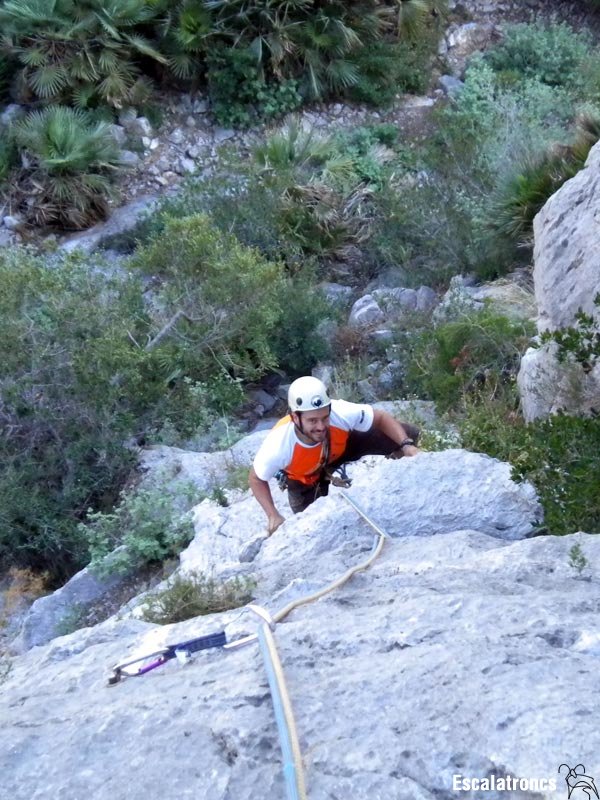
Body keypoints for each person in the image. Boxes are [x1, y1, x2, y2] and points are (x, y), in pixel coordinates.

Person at [249, 376, 420, 534]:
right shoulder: (279, 443)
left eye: (325, 418)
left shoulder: (340, 412)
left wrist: (406, 445)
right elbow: (257, 478)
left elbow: (381, 418)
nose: (321, 426)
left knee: (407, 433)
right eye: (312, 420)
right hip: (305, 479)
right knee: (315, 530)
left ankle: (401, 483)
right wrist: (272, 514)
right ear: (295, 417)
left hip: (341, 450)